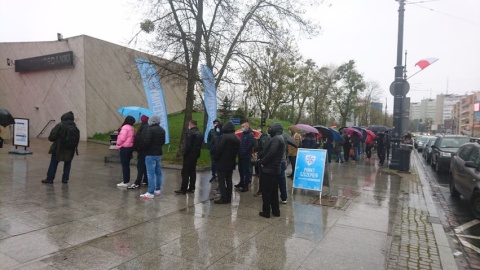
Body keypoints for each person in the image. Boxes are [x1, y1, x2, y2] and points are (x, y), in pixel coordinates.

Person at [257, 123, 286, 218]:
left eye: (270, 128)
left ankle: (266, 212)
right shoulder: (278, 138)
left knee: (266, 192)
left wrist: (262, 162)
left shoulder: (276, 139)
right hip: (275, 169)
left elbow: (271, 153)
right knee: (273, 192)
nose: (269, 129)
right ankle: (276, 211)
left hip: (269, 169)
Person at [41, 111, 79, 184]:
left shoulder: (60, 125)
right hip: (70, 149)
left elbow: (52, 136)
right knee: (68, 164)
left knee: (54, 163)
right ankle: (65, 179)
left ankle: (50, 179)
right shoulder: (74, 127)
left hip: (59, 148)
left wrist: (52, 139)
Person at [140, 116, 166, 199]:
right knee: (158, 172)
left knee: (150, 173)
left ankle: (150, 192)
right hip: (158, 153)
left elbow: (147, 142)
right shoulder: (162, 130)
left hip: (150, 154)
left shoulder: (150, 130)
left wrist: (143, 147)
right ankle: (157, 189)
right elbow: (163, 142)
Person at [214, 121, 240, 204]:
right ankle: (229, 197)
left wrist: (216, 158)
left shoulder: (224, 137)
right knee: (229, 180)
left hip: (222, 162)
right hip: (231, 162)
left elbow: (219, 149)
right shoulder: (236, 137)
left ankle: (224, 197)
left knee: (221, 180)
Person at [175, 120, 203, 194]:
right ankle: (192, 187)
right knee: (192, 171)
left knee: (185, 172)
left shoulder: (190, 133)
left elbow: (187, 145)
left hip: (189, 155)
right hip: (196, 155)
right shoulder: (200, 133)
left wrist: (184, 153)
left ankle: (183, 188)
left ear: (191, 124)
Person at [128, 115, 149, 189]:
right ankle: (146, 180)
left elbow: (141, 139)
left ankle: (137, 182)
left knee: (140, 166)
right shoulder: (147, 127)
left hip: (142, 151)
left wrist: (138, 148)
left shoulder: (144, 127)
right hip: (147, 151)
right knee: (145, 166)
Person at [116, 116, 136, 187]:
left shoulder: (125, 127)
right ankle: (126, 180)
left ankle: (125, 181)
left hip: (124, 148)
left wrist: (118, 144)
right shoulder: (132, 128)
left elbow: (122, 138)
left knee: (124, 165)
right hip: (130, 148)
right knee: (127, 165)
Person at [235, 121, 254, 192]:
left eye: (243, 126)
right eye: (241, 126)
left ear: (247, 126)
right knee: (241, 170)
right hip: (240, 155)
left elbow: (250, 144)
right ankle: (241, 182)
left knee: (246, 171)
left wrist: (244, 151)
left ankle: (246, 185)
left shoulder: (250, 134)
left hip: (246, 156)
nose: (242, 128)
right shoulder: (243, 134)